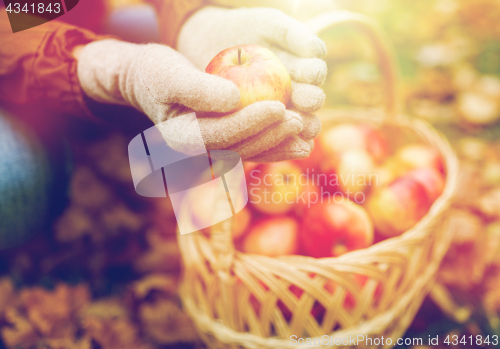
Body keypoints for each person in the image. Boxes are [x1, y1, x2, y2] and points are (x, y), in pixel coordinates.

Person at [0, 0, 328, 247]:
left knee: (166, 58)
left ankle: (95, 137)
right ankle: (61, 159)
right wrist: (105, 68)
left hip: (62, 19)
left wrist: (192, 19)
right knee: (10, 179)